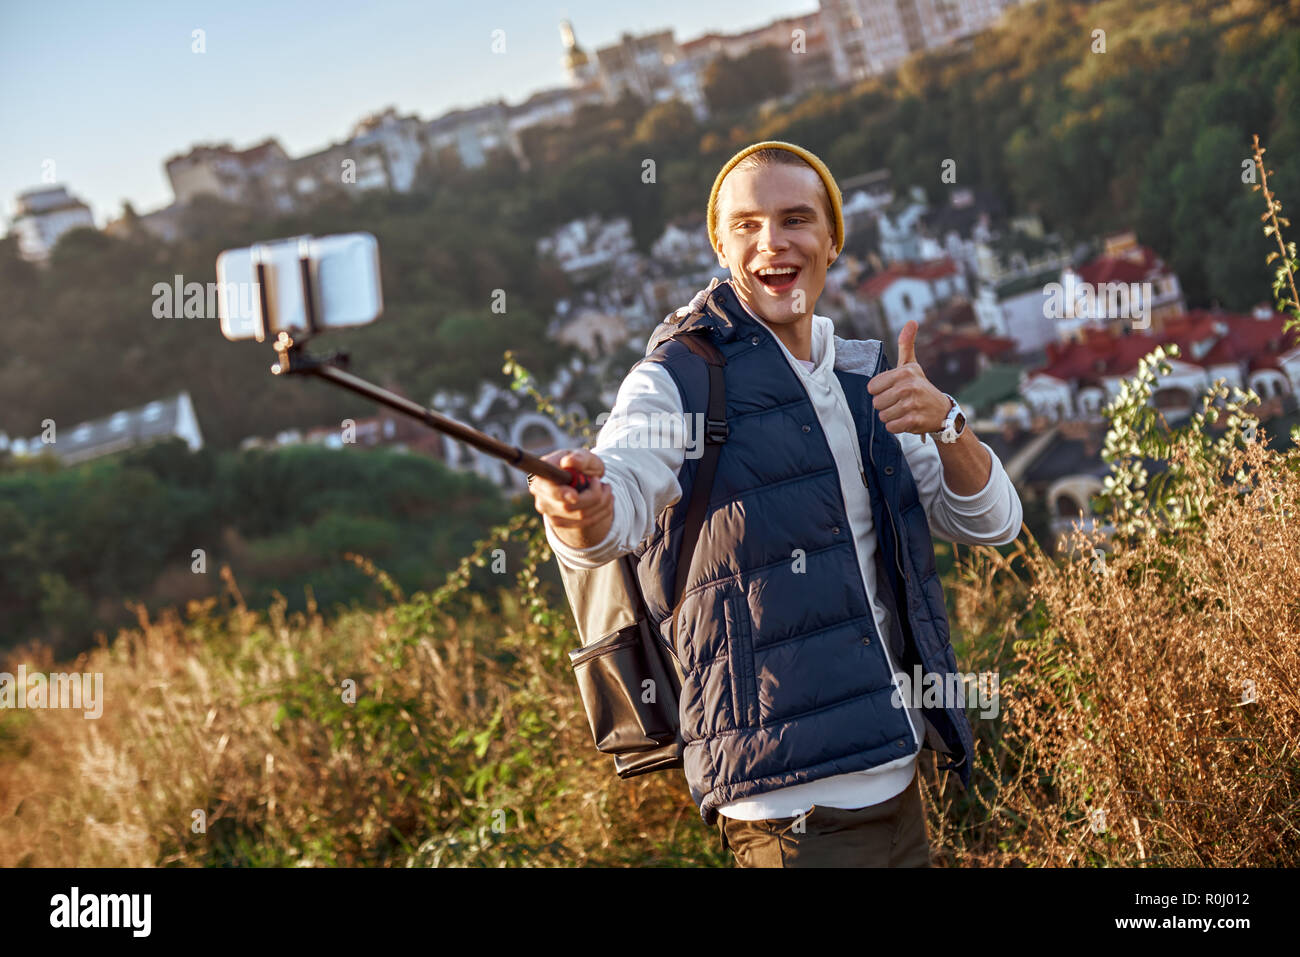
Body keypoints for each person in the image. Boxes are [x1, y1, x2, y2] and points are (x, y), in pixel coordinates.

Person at [529, 141, 1022, 867]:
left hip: (897, 773)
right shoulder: (680, 377)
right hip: (783, 807)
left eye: (795, 219)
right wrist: (585, 511)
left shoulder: (863, 372)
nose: (773, 242)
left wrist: (947, 421)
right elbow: (628, 479)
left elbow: (991, 521)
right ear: (721, 244)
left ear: (831, 239)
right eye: (747, 225)